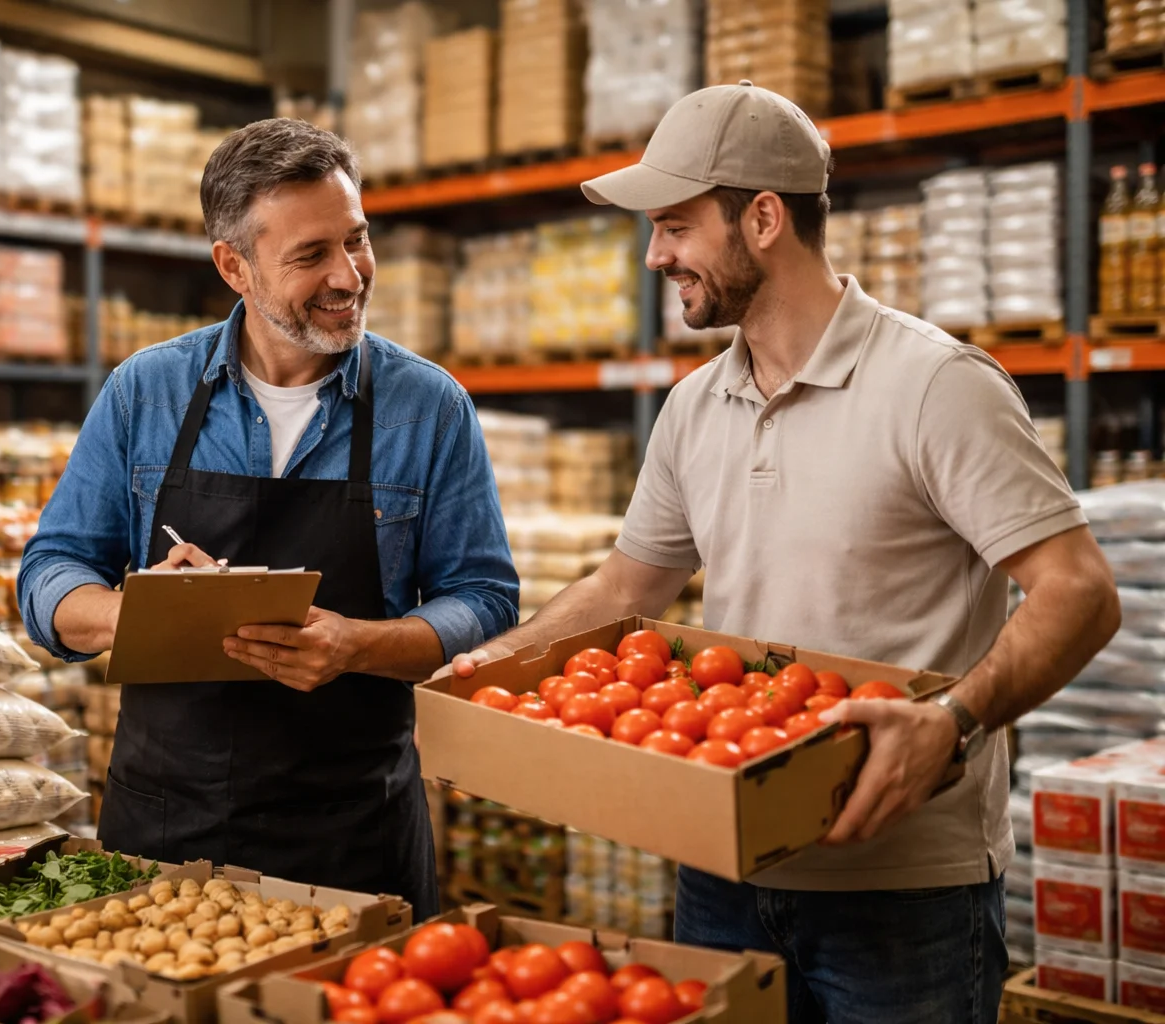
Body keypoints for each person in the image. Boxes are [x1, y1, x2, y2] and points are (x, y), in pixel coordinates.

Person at [448, 82, 1120, 1022]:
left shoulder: (936, 387)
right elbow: (631, 582)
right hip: (723, 868)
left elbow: (1080, 593)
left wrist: (956, 722)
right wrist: (497, 671)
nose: (656, 255)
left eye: (676, 225)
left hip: (902, 891)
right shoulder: (692, 406)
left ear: (762, 218)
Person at [18, 118, 517, 919]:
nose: (349, 275)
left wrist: (358, 645)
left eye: (356, 240)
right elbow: (48, 575)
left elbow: (484, 597)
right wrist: (138, 611)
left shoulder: (428, 408)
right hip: (166, 832)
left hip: (354, 833)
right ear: (234, 267)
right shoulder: (146, 393)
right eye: (310, 256)